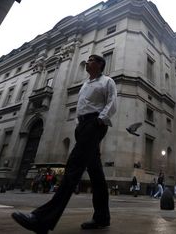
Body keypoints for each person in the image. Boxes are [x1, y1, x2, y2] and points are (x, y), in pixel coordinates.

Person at [11, 54, 117, 233]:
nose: (88, 62)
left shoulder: (107, 81)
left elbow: (112, 102)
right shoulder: (85, 84)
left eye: (92, 59)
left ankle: (42, 219)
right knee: (96, 174)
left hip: (94, 124)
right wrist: (78, 124)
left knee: (73, 168)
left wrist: (100, 120)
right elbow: (81, 105)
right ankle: (102, 217)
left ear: (100, 64)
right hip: (83, 125)